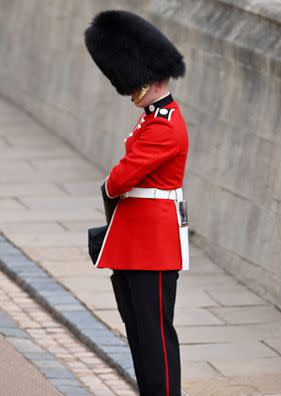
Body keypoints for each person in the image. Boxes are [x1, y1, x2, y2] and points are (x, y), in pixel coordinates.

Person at [84, 10, 189, 396]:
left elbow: (120, 178)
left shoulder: (164, 125)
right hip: (137, 241)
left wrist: (110, 185)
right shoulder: (151, 119)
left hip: (154, 247)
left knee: (155, 336)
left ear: (148, 80)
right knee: (139, 332)